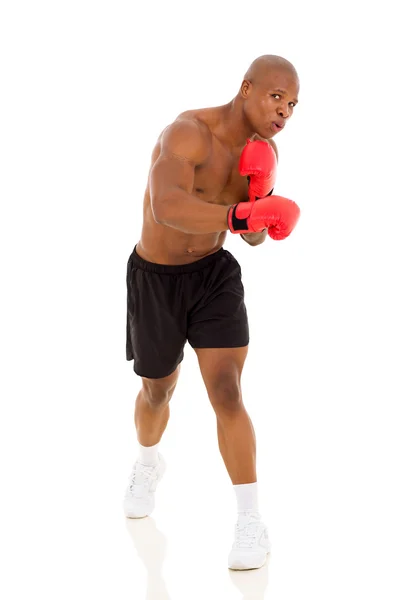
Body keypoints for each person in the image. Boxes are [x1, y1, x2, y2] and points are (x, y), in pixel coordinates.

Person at [124, 54, 300, 570]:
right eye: (276, 97)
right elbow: (166, 205)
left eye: (292, 105)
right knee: (157, 390)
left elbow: (251, 236)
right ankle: (148, 462)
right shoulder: (188, 133)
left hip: (214, 276)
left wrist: (261, 202)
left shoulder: (263, 151)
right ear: (246, 88)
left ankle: (250, 521)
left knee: (226, 389)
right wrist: (243, 211)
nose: (285, 111)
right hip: (155, 277)